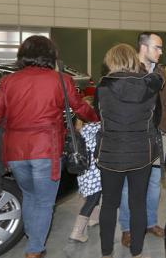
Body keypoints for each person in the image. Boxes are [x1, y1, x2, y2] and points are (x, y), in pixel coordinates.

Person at [0, 35, 98, 258]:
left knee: (29, 196)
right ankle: (34, 250)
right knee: (44, 202)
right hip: (47, 151)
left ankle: (32, 237)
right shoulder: (60, 80)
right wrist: (96, 118)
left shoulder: (9, 81)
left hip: (15, 152)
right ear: (51, 55)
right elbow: (81, 108)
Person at [95, 43, 163, 258]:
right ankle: (137, 252)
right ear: (133, 60)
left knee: (109, 204)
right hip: (141, 153)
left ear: (111, 61)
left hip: (109, 154)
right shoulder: (150, 87)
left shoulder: (102, 88)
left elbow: (99, 116)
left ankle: (106, 252)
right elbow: (156, 118)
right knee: (138, 204)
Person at [119, 32, 166, 247]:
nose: (161, 52)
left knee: (153, 183)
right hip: (133, 137)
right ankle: (127, 228)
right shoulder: (128, 70)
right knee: (129, 186)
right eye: (157, 47)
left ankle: (150, 222)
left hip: (156, 135)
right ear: (143, 47)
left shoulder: (159, 71)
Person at [69, 97, 101, 243]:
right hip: (93, 169)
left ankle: (93, 219)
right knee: (93, 198)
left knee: (91, 196)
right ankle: (77, 232)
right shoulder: (94, 127)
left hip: (83, 169)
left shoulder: (77, 129)